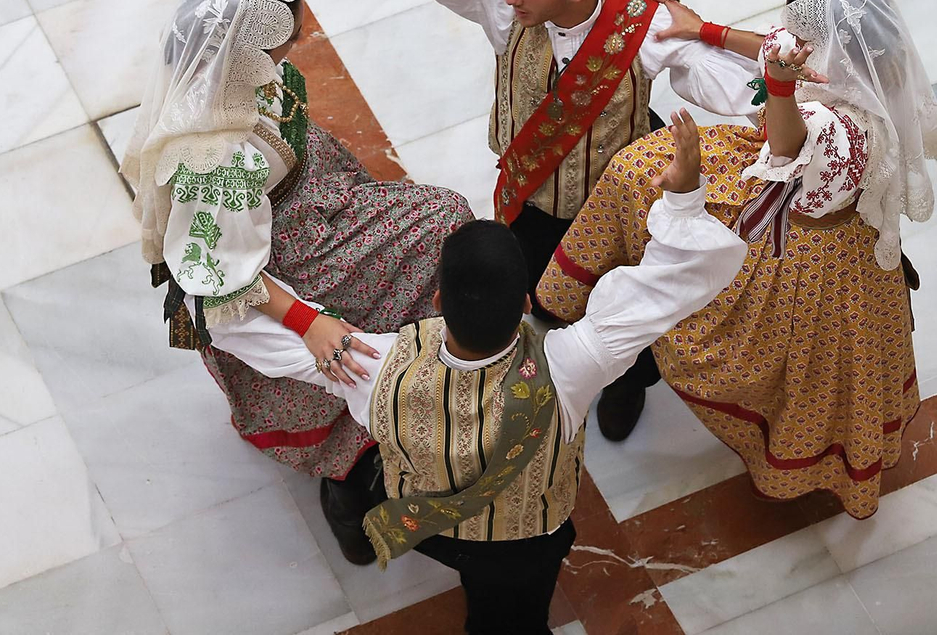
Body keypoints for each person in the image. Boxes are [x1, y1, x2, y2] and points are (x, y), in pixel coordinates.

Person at [121, 0, 473, 566]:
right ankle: (349, 473)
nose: (302, 19)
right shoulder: (221, 158)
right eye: (290, 15)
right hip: (272, 260)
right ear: (255, 41)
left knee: (428, 229)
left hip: (300, 180)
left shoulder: (216, 4)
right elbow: (228, 289)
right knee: (440, 227)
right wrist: (312, 322)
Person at [336, 0, 762, 440]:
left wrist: (782, 105)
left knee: (633, 304)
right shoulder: (505, 5)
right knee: (547, 293)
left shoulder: (642, 27)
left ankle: (630, 383)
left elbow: (722, 81)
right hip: (534, 200)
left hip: (618, 204)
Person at [276, 113, 742, 635]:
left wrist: (304, 319)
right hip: (529, 541)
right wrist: (682, 200)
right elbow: (671, 284)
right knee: (512, 617)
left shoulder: (372, 363)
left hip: (434, 527)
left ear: (435, 302)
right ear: (525, 303)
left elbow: (255, 339)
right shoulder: (572, 362)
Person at [538, 0, 937, 518]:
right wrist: (702, 30)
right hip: (777, 184)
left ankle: (629, 343)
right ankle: (581, 294)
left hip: (804, 244)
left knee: (761, 359)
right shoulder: (852, 57)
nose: (792, 34)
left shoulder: (844, 130)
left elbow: (786, 149)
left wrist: (780, 87)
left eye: (805, 29)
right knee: (635, 173)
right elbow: (772, 46)